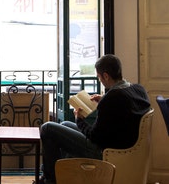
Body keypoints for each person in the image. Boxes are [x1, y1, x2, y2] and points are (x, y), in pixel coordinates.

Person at [39, 54, 151, 184]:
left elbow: (94, 136)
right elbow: (126, 103)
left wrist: (79, 120)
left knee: (47, 128)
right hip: (123, 143)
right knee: (64, 124)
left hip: (105, 150)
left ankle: (50, 180)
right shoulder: (138, 89)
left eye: (99, 77)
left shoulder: (112, 98)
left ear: (106, 76)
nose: (100, 80)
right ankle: (64, 176)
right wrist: (103, 99)